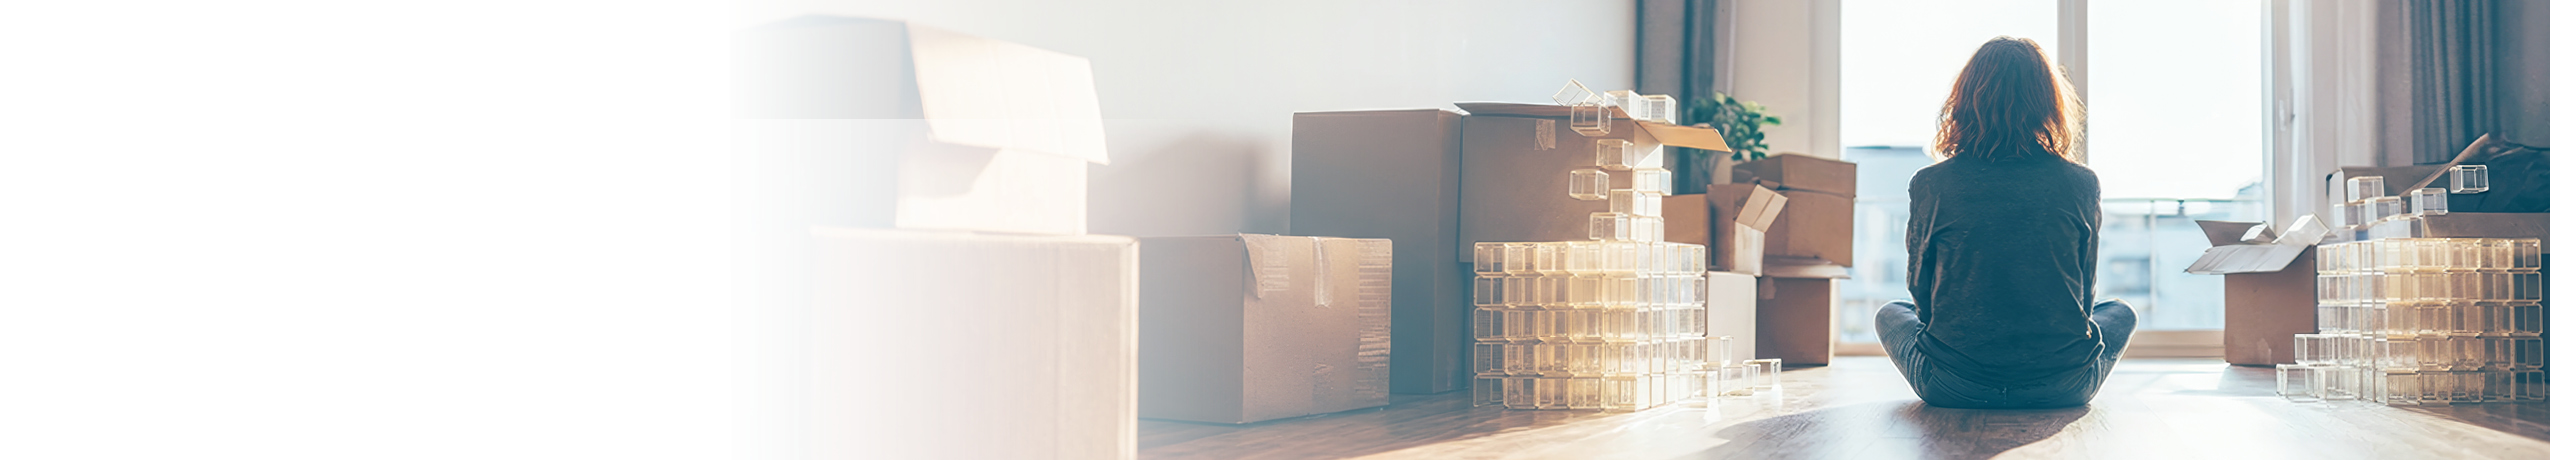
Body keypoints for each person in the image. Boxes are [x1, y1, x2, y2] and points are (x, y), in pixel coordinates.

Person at [1876, 36, 2134, 409]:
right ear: (2047, 103)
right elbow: (2083, 294)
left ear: (1964, 101)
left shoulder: (1930, 183)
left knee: (1890, 312)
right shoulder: (2081, 182)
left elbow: (1920, 289)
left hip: (1952, 385)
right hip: (2063, 386)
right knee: (2121, 311)